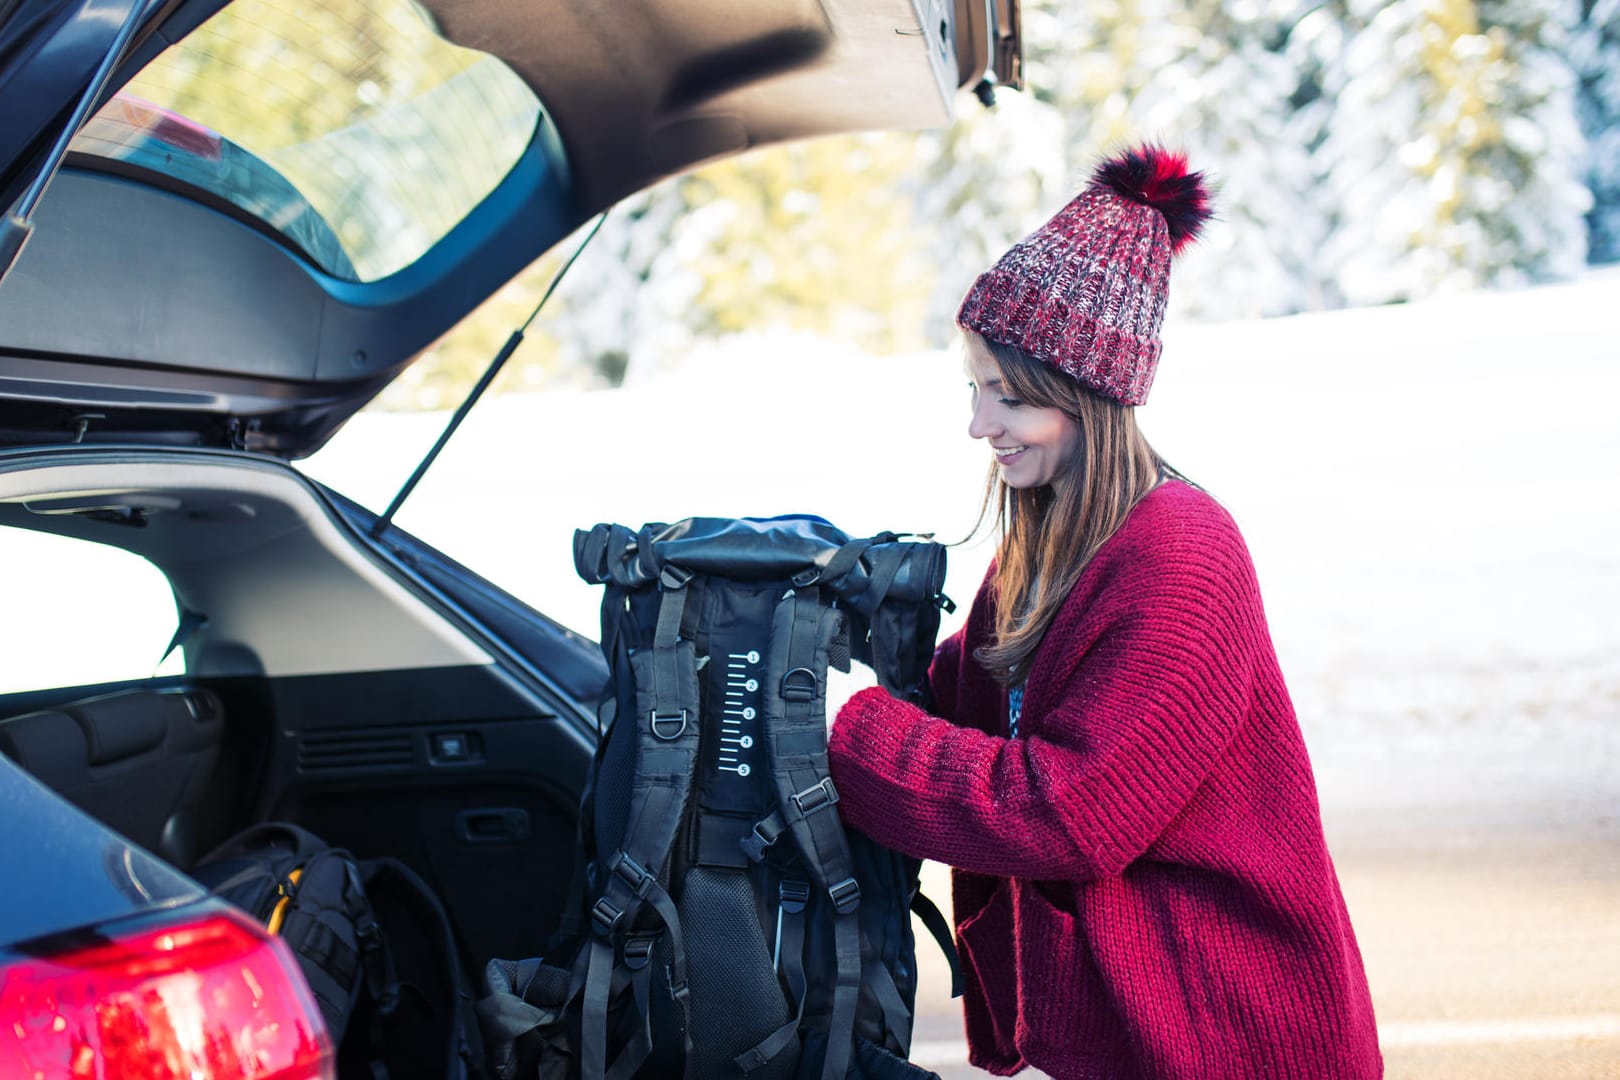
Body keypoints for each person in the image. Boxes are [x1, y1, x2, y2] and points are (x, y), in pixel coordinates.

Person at [825, 144, 1383, 1079]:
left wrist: (855, 736)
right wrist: (826, 665)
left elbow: (1071, 812)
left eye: (1008, 396)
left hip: (1232, 1032)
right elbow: (964, 702)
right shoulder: (1052, 543)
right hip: (1146, 1028)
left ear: (1086, 397)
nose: (978, 423)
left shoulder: (1182, 556)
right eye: (975, 387)